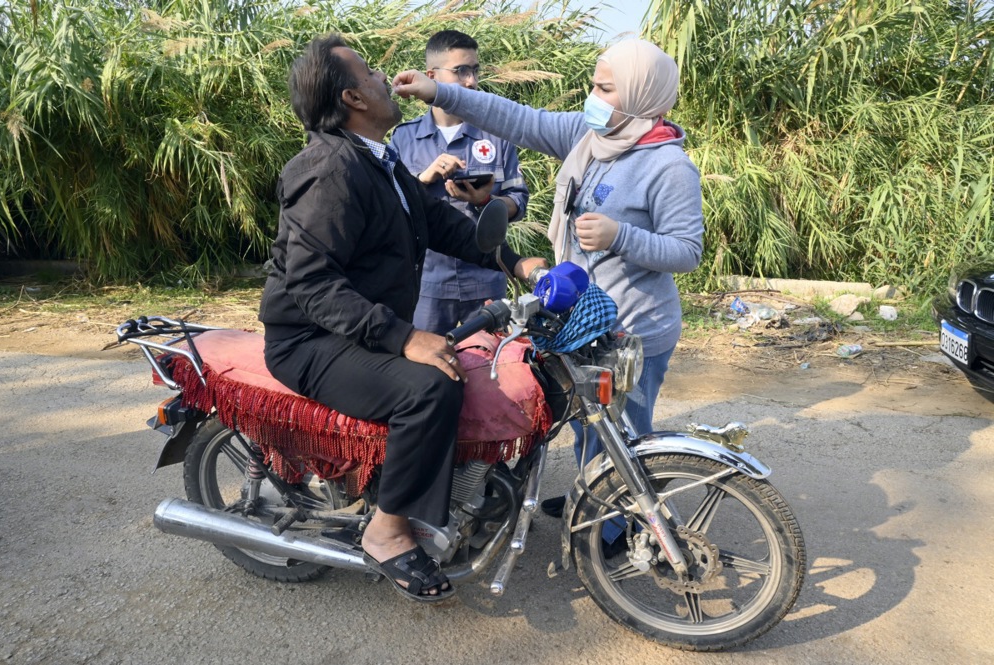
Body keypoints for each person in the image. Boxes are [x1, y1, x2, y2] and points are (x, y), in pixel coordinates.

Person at [258, 35, 546, 601]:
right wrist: (405, 337)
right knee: (430, 387)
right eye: (370, 74)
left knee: (468, 367)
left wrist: (519, 264)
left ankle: (436, 499)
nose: (385, 78)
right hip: (309, 339)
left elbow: (446, 228)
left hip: (351, 328)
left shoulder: (380, 159)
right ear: (352, 98)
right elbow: (311, 282)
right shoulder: (329, 168)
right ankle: (387, 532)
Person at [394, 39, 704, 557]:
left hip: (632, 326)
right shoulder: (591, 136)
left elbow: (688, 250)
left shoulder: (668, 166)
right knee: (588, 418)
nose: (593, 97)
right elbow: (515, 117)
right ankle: (592, 496)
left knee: (623, 430)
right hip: (583, 322)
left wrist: (620, 236)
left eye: (605, 89)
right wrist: (438, 90)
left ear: (641, 96)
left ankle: (620, 529)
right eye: (593, 85)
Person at [391, 30, 529, 334]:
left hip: (486, 280)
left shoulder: (496, 134)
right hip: (426, 283)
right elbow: (389, 205)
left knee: (489, 370)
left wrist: (485, 201)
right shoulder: (404, 137)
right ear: (431, 75)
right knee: (428, 372)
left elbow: (518, 200)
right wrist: (422, 180)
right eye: (461, 71)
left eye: (475, 70)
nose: (471, 81)